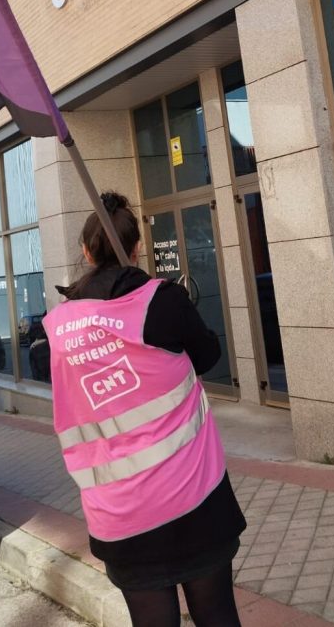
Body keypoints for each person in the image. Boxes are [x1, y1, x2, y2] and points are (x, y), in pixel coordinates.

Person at [44, 192, 245, 627]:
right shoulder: (164, 300)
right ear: (136, 248)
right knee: (217, 615)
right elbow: (208, 355)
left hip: (119, 515)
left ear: (85, 251)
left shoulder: (59, 326)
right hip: (195, 498)